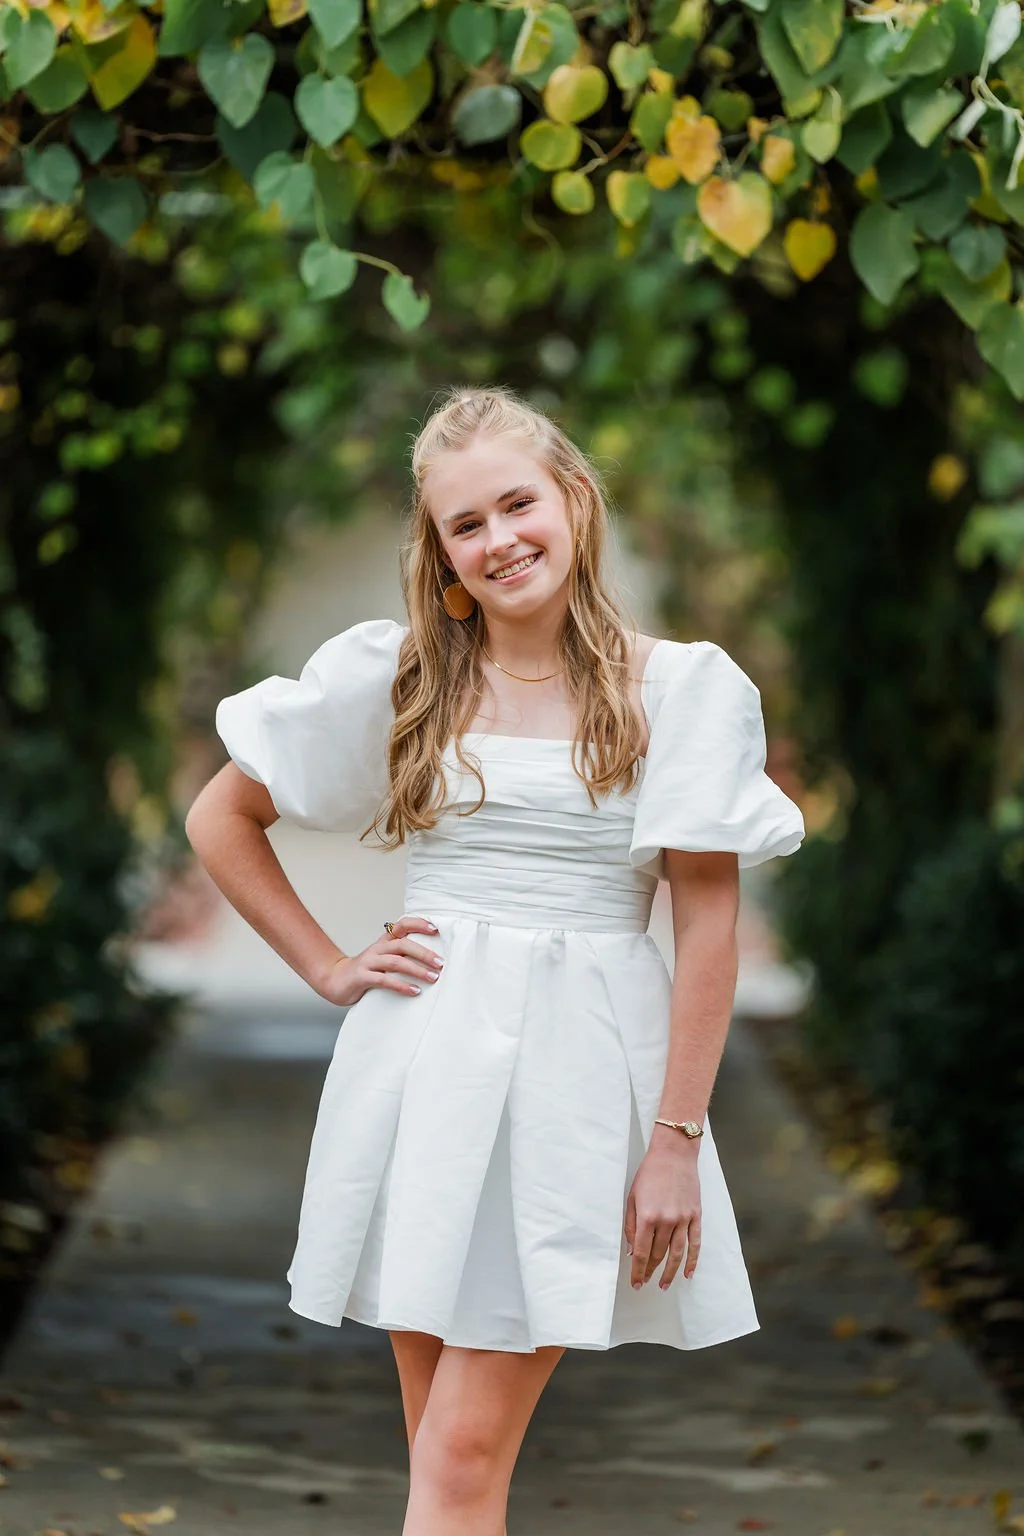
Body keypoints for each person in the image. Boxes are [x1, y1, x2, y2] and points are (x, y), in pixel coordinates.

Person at [185, 384, 805, 1536]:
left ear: (572, 497)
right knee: (447, 1462)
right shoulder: (404, 677)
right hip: (422, 1072)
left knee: (460, 1455)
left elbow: (704, 924)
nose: (498, 539)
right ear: (440, 550)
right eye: (464, 525)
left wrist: (676, 1140)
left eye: (516, 503)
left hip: (579, 1085)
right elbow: (220, 816)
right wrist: (327, 968)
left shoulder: (677, 690)